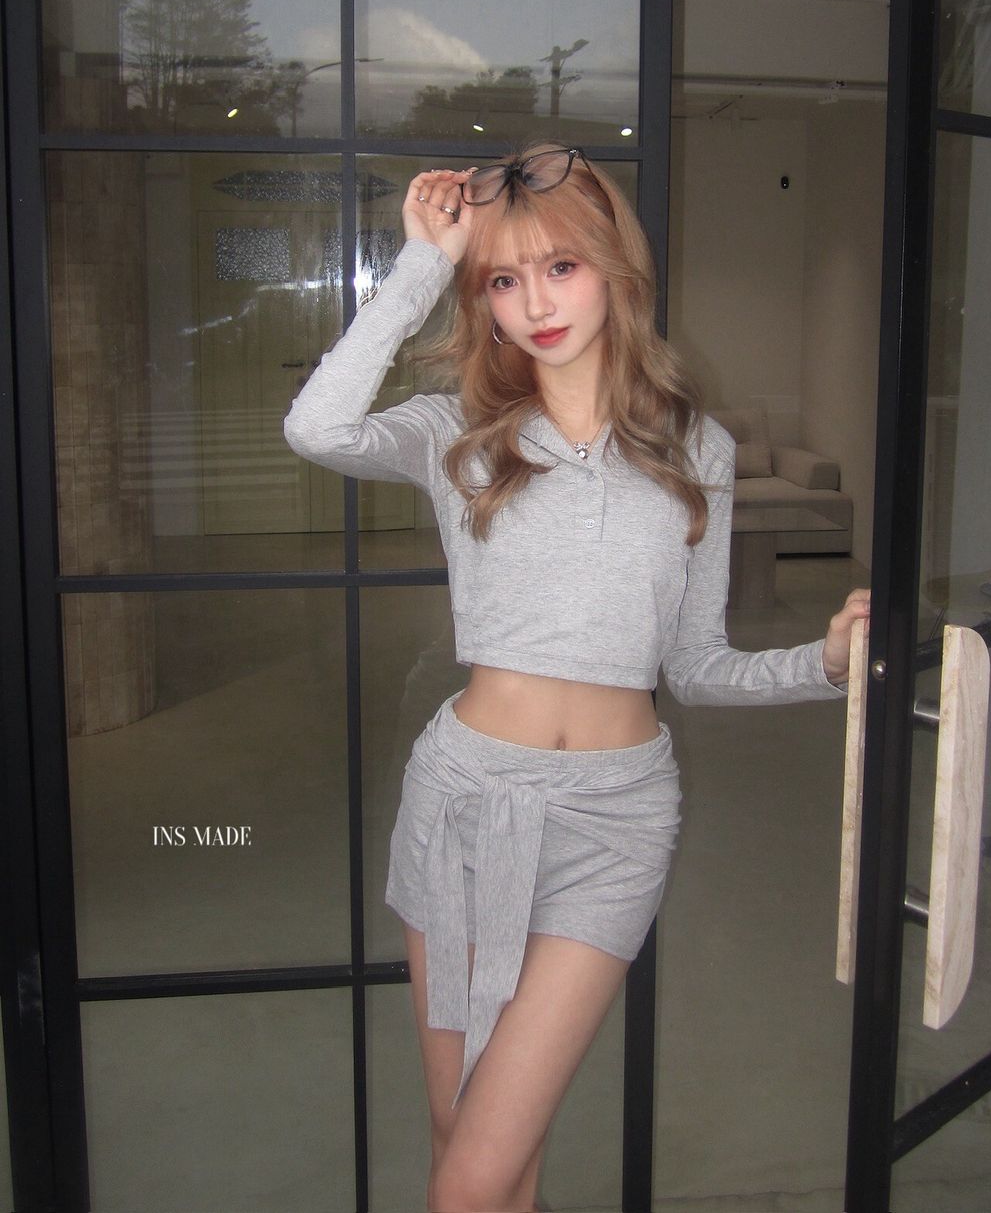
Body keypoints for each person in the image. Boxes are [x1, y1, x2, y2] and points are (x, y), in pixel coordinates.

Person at [283, 144, 870, 1213]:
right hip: (462, 803)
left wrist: (823, 665)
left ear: (616, 268)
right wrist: (423, 265)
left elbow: (694, 667)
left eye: (561, 267)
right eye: (504, 280)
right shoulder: (456, 433)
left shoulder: (695, 448)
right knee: (471, 1145)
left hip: (613, 822)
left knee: (472, 1178)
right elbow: (315, 427)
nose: (537, 304)